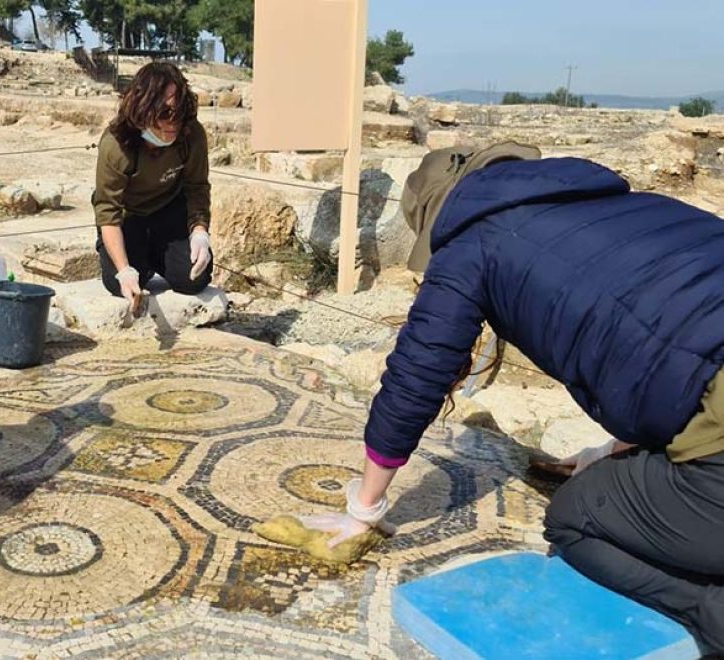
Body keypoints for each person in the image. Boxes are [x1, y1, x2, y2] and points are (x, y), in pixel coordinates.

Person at [301, 142, 724, 654]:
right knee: (619, 476)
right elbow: (667, 335)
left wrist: (363, 509)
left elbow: (418, 372)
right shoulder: (609, 200)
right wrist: (614, 448)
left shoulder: (471, 245)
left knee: (575, 517)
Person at [92, 62, 213, 307]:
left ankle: (158, 257)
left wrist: (200, 231)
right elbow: (107, 211)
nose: (172, 124)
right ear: (143, 107)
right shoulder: (116, 143)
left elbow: (197, 187)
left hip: (169, 210)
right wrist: (124, 269)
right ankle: (139, 261)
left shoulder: (191, 134)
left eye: (177, 112)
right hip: (129, 216)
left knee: (194, 278)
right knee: (120, 284)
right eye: (164, 113)